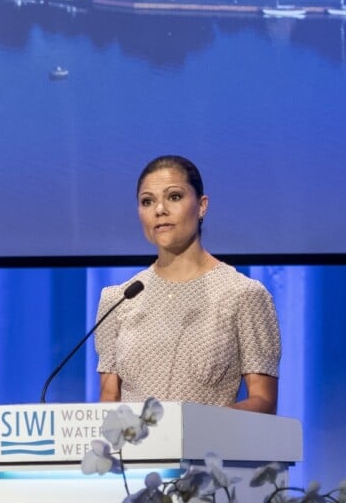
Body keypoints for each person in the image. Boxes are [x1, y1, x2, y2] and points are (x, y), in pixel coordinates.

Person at [94, 155, 281, 413]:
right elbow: (108, 401)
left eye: (174, 197)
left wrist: (198, 424)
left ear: (202, 206)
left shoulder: (243, 294)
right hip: (133, 452)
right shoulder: (119, 299)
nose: (160, 209)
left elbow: (264, 402)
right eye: (147, 201)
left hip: (208, 450)